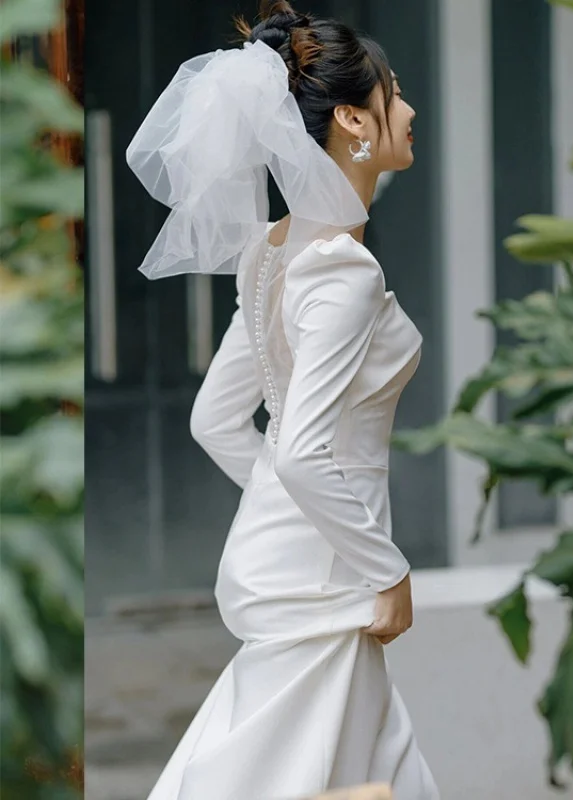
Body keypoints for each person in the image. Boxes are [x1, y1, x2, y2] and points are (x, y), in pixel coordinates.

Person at [125, 1, 439, 798]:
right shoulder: (341, 269)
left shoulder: (270, 253)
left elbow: (217, 423)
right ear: (351, 120)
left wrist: (284, 500)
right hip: (329, 583)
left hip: (297, 565)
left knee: (365, 771)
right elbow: (300, 451)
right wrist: (388, 569)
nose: (408, 109)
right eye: (392, 94)